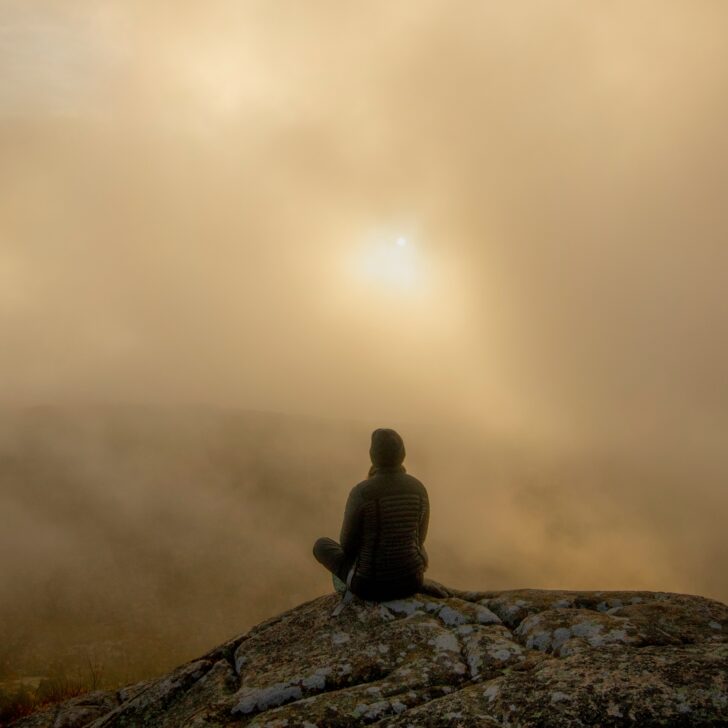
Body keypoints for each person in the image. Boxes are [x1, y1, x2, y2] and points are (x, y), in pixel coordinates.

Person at [313, 428, 429, 602]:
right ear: (402, 453)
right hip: (412, 582)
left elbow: (348, 546)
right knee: (411, 540)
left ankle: (348, 589)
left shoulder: (362, 492)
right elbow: (420, 540)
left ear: (373, 456)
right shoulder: (418, 488)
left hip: (370, 587)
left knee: (321, 545)